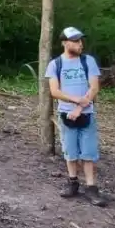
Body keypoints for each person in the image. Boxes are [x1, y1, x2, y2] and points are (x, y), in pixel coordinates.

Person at [45, 27, 107, 207]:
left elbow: (94, 88)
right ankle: (73, 183)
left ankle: (91, 188)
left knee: (88, 153)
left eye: (80, 41)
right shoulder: (55, 64)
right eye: (75, 41)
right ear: (65, 43)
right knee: (70, 152)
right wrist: (75, 100)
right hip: (66, 114)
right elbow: (55, 91)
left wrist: (79, 107)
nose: (80, 44)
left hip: (86, 114)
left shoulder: (88, 61)